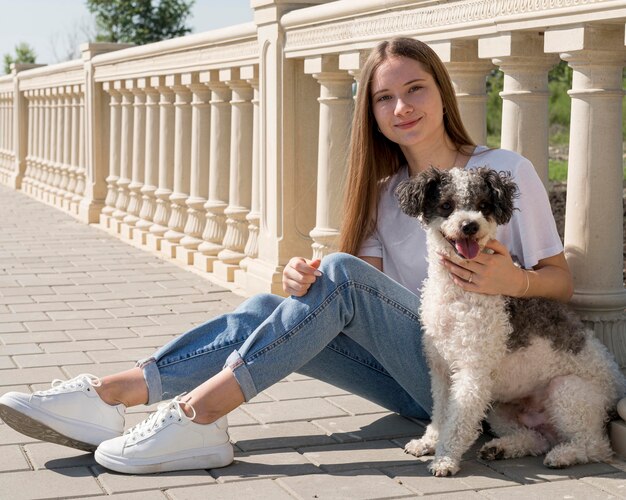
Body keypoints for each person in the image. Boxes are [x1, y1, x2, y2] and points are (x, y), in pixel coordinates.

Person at [0, 37, 573, 474]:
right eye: (384, 97)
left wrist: (514, 281)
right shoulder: (383, 194)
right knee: (266, 306)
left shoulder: (504, 171)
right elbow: (363, 302)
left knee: (332, 280)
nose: (402, 106)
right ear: (371, 113)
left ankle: (194, 415)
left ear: (442, 89)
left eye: (415, 88)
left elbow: (560, 280)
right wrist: (309, 284)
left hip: (484, 384)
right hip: (415, 375)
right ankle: (112, 394)